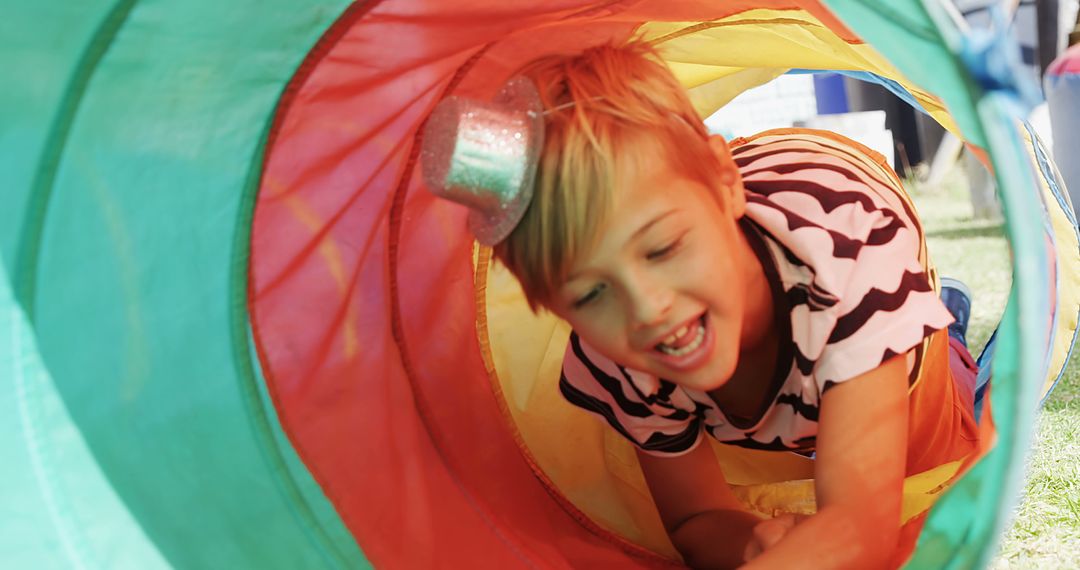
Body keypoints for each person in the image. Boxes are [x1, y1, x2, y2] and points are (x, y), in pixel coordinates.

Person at [424, 41, 983, 569]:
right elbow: (695, 517)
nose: (646, 309)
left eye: (663, 248)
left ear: (723, 184)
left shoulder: (850, 271)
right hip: (720, 200)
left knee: (925, 418)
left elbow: (861, 527)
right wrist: (748, 539)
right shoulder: (615, 357)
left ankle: (944, 319)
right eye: (590, 293)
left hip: (834, 195)